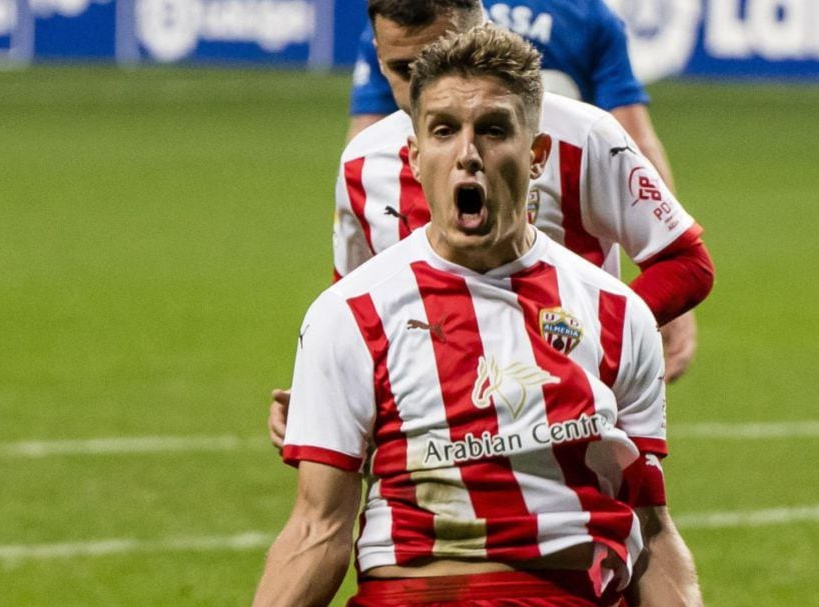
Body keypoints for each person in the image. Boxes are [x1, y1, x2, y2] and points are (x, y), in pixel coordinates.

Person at [252, 25, 701, 606]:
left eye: (492, 131)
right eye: (444, 131)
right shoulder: (350, 315)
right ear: (413, 156)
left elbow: (653, 532)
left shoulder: (618, 313)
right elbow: (317, 530)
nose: (467, 155)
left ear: (536, 154)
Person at [346, 0, 699, 380]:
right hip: (432, 396)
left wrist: (614, 332)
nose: (425, 86)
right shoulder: (363, 162)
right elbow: (352, 305)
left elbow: (681, 257)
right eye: (405, 69)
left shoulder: (585, 133)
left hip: (573, 392)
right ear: (382, 59)